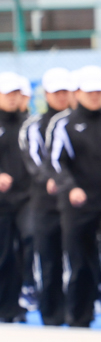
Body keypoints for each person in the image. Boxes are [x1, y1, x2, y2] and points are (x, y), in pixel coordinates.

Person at [47, 67, 101, 327]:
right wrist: (70, 187)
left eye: (99, 91)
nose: (95, 96)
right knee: (79, 265)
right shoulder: (62, 123)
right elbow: (55, 161)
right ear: (77, 93)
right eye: (90, 92)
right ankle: (79, 318)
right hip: (77, 206)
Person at [24, 68, 71, 325]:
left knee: (78, 261)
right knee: (49, 262)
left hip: (76, 205)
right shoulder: (35, 125)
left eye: (65, 91)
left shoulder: (76, 122)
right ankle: (51, 314)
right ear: (46, 94)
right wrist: (52, 180)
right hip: (46, 204)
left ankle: (77, 312)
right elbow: (34, 160)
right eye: (56, 92)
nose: (62, 97)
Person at [0, 72, 30, 320]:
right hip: (1, 203)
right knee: (3, 255)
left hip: (26, 198)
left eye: (15, 93)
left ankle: (15, 305)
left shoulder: (27, 123)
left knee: (27, 247)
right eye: (7, 93)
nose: (12, 98)